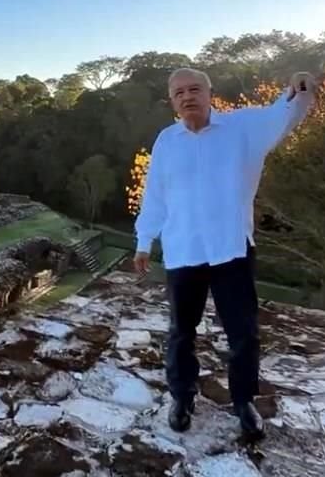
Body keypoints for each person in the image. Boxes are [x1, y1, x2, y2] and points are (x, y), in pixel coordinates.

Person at [133, 68, 315, 440]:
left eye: (194, 88)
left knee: (243, 333)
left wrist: (297, 86)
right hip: (184, 251)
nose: (188, 96)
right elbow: (156, 197)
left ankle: (244, 401)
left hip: (230, 248)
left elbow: (284, 113)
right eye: (179, 92)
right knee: (181, 333)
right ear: (172, 101)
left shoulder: (242, 129)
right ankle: (182, 397)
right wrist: (143, 241)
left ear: (209, 92)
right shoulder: (166, 141)